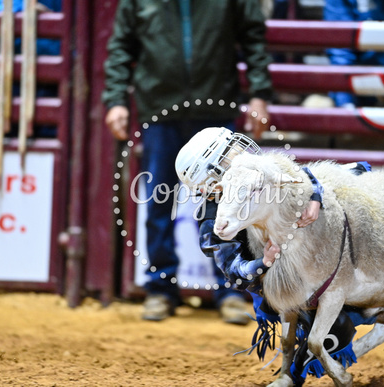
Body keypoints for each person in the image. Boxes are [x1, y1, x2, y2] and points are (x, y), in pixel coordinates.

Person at [175, 127, 384, 385]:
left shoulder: (261, 174)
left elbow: (306, 175)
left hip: (313, 261)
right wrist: (263, 263)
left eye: (236, 145)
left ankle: (360, 315)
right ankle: (368, 313)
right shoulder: (213, 222)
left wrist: (315, 196)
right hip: (273, 284)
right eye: (230, 153)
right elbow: (235, 273)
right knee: (326, 327)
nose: (242, 152)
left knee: (334, 296)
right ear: (213, 177)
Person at [103, 0, 274, 323]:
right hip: (160, 110)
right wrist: (115, 100)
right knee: (158, 203)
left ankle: (230, 288)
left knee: (224, 204)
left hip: (214, 110)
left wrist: (259, 93)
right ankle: (161, 289)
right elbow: (121, 46)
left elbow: (253, 38)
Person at [0, 0, 62, 138]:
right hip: (8, 65)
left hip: (56, 66)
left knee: (51, 144)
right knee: (0, 137)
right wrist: (21, 9)